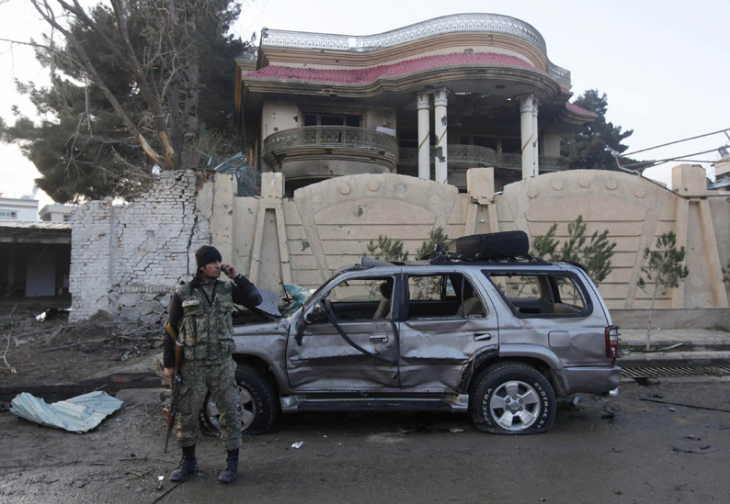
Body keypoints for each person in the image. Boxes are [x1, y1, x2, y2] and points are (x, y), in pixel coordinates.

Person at [163, 245, 262, 483]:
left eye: (220, 262)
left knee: (230, 412)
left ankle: (231, 464)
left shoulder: (228, 289)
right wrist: (169, 364)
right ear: (202, 266)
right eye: (214, 263)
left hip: (222, 364)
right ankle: (189, 463)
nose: (219, 265)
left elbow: (255, 299)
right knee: (187, 414)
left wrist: (237, 276)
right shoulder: (183, 293)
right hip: (192, 365)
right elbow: (171, 329)